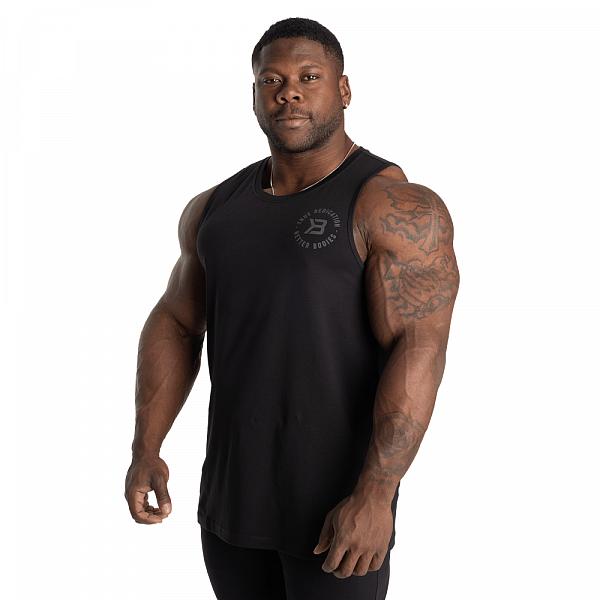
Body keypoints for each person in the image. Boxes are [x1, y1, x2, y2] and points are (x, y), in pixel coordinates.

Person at [124, 16, 460, 600]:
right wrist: (145, 446)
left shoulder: (395, 206)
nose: (289, 93)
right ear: (254, 94)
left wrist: (376, 494)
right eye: (271, 80)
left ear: (344, 89)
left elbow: (420, 347)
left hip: (338, 519)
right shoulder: (214, 208)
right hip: (230, 508)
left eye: (309, 77)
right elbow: (177, 321)